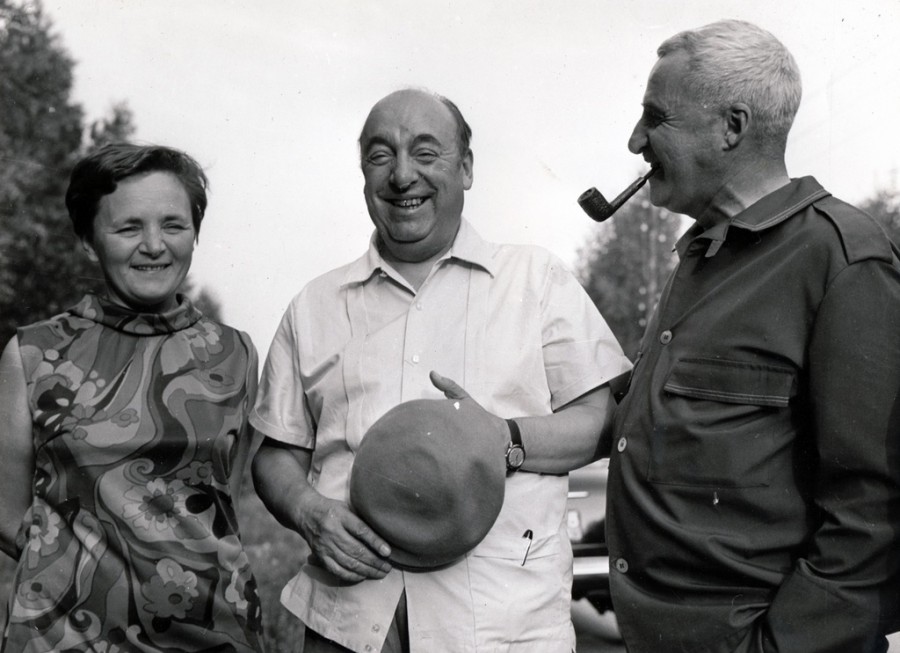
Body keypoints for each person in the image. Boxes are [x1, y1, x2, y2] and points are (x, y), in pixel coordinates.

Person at [250, 87, 631, 653]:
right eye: (381, 155)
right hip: (347, 624)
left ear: (467, 168)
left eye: (426, 153)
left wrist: (507, 440)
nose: (403, 175)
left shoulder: (537, 280)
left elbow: (603, 420)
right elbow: (276, 453)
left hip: (502, 628)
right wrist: (308, 512)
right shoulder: (315, 305)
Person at [604, 19, 900, 653]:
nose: (635, 141)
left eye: (655, 118)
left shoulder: (842, 260)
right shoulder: (701, 257)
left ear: (732, 127)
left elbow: (874, 513)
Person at [0, 143, 264, 652]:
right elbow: (6, 513)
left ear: (195, 232)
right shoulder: (33, 353)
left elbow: (220, 503)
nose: (154, 245)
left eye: (173, 225)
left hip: (210, 634)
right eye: (128, 228)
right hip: (65, 637)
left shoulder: (235, 354)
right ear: (88, 240)